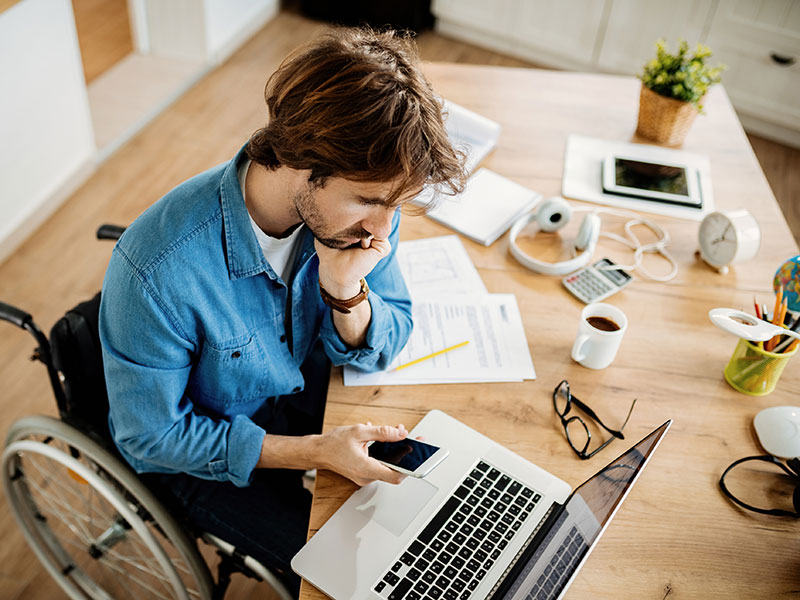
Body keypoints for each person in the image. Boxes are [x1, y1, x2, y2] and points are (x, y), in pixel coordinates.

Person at [98, 26, 466, 595]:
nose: (383, 229)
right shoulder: (156, 272)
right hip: (209, 456)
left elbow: (393, 332)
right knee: (361, 578)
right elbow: (151, 438)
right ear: (302, 162)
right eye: (370, 201)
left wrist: (346, 292)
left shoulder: (358, 221)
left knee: (441, 529)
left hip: (309, 402)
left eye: (395, 205)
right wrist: (314, 452)